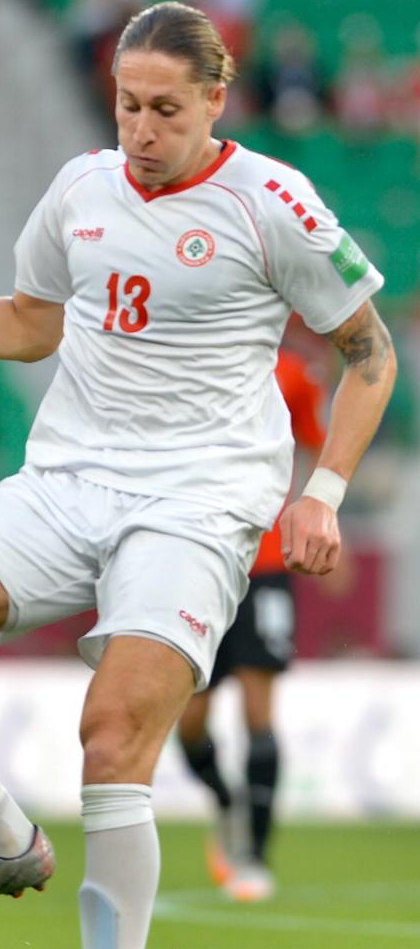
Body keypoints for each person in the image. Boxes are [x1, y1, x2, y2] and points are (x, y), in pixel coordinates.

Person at [0, 1, 394, 949]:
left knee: (112, 734)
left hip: (197, 503)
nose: (141, 129)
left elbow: (369, 356)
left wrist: (321, 492)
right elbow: (31, 325)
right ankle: (2, 840)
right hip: (67, 482)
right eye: (127, 105)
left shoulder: (273, 203)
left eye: (166, 109)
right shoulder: (80, 189)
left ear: (215, 101)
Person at [178, 342, 328, 904]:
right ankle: (226, 801)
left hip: (265, 568)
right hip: (200, 561)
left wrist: (320, 511)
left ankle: (254, 855)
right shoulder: (196, 360)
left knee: (258, 710)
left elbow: (318, 444)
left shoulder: (294, 375)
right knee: (190, 721)